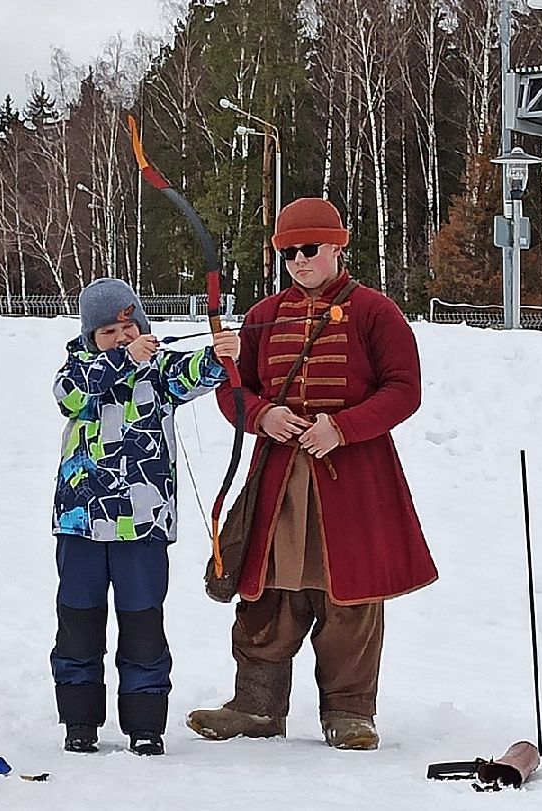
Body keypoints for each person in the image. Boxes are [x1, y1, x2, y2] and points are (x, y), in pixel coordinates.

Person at [187, 197, 437, 751]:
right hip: (277, 478)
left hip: (354, 476)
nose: (299, 260)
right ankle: (256, 707)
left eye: (310, 249)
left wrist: (341, 429)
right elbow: (235, 390)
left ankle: (349, 712)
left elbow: (403, 389)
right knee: (267, 592)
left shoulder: (375, 312)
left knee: (349, 597)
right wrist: (262, 414)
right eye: (289, 252)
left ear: (336, 247)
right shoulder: (263, 317)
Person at [51, 278, 239, 757]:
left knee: (142, 625)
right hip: (81, 521)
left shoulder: (159, 372)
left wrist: (223, 353)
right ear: (90, 336)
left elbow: (196, 372)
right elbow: (73, 395)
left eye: (128, 326)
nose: (121, 336)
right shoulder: (77, 370)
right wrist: (124, 359)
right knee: (78, 623)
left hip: (143, 524)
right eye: (108, 331)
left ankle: (145, 723)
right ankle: (79, 720)